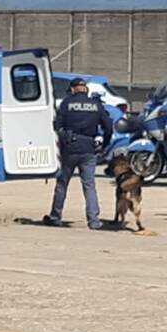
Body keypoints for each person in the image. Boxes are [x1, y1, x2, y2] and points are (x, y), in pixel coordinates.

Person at [44, 78, 113, 230]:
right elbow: (108, 127)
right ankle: (94, 221)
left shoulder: (67, 103)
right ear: (85, 89)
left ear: (73, 89)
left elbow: (56, 126)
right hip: (89, 148)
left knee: (62, 183)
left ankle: (55, 216)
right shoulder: (96, 105)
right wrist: (104, 145)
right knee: (89, 185)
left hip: (70, 148)